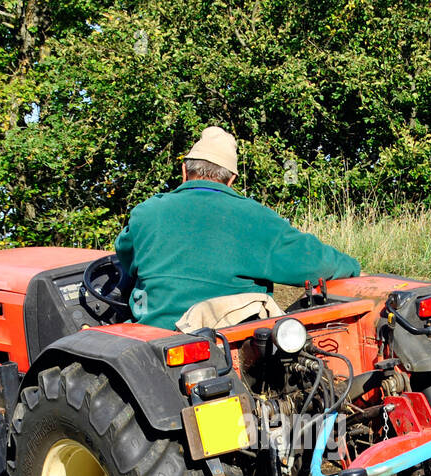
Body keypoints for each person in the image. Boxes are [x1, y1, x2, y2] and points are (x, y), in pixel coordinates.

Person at [113, 126, 361, 330]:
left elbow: (126, 258)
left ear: (184, 171)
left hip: (153, 340)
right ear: (231, 179)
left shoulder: (145, 213)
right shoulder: (257, 218)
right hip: (226, 346)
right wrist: (352, 267)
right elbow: (313, 261)